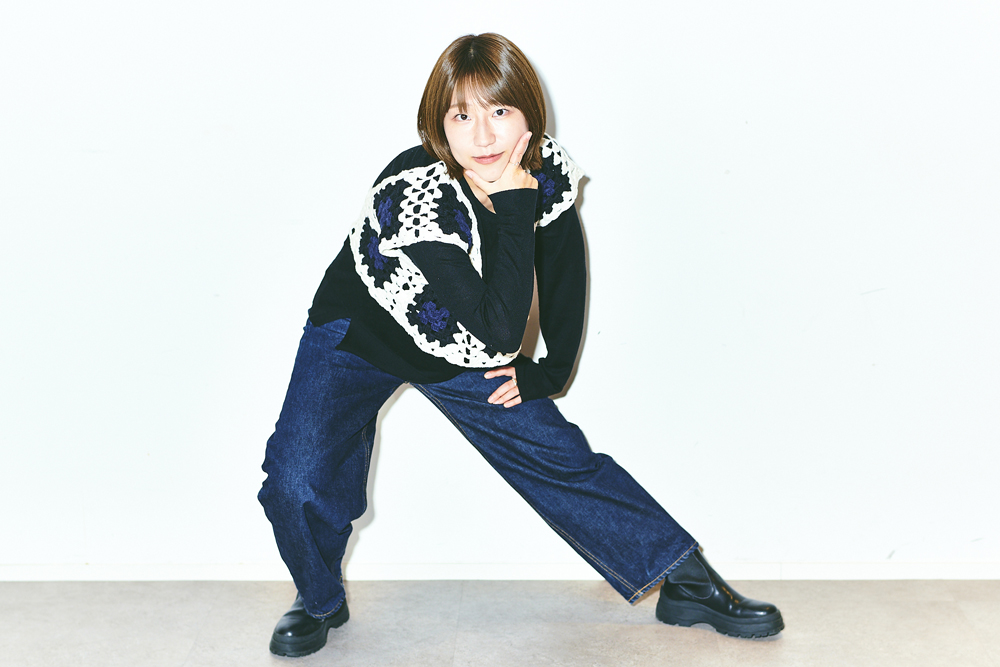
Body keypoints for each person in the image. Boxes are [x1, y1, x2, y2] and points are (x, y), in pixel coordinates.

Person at [257, 32, 783, 658]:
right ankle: (319, 596)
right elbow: (501, 331)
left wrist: (550, 372)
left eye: (500, 111)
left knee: (556, 453)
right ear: (438, 126)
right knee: (295, 477)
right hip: (361, 334)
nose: (483, 137)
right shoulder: (414, 190)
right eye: (462, 116)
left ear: (529, 114)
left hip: (464, 343)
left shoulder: (542, 170)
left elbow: (562, 273)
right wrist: (511, 203)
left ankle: (686, 581)